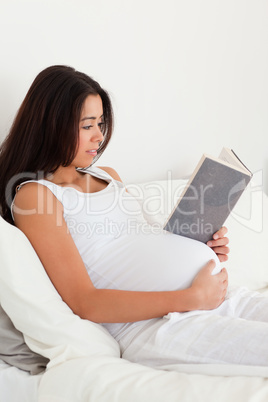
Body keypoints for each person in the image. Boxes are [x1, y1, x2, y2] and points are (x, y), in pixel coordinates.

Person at [0, 65, 267, 368]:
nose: (99, 136)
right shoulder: (36, 195)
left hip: (220, 299)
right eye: (87, 126)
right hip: (161, 325)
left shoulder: (108, 176)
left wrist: (201, 247)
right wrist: (191, 299)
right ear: (51, 125)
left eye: (101, 123)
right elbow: (84, 301)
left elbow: (138, 243)